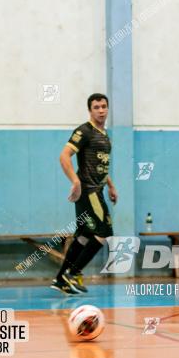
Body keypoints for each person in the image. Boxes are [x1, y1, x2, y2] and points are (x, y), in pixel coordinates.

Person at [51, 93, 117, 294]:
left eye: (104, 106)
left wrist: (111, 186)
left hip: (97, 190)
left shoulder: (104, 134)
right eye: (96, 107)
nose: (101, 110)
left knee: (84, 236)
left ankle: (61, 279)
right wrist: (75, 181)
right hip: (89, 192)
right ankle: (73, 273)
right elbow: (64, 156)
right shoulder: (84, 131)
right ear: (90, 110)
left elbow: (99, 166)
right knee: (104, 232)